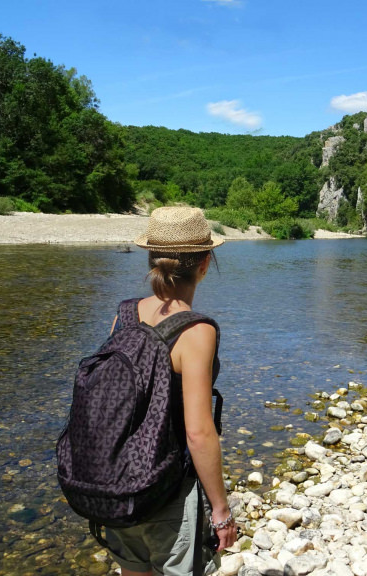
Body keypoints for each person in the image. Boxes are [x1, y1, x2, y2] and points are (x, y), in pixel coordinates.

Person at [104, 206, 237, 576]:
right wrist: (222, 513)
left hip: (117, 482)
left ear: (151, 259)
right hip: (165, 491)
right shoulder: (196, 332)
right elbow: (198, 432)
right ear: (205, 263)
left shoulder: (123, 314)